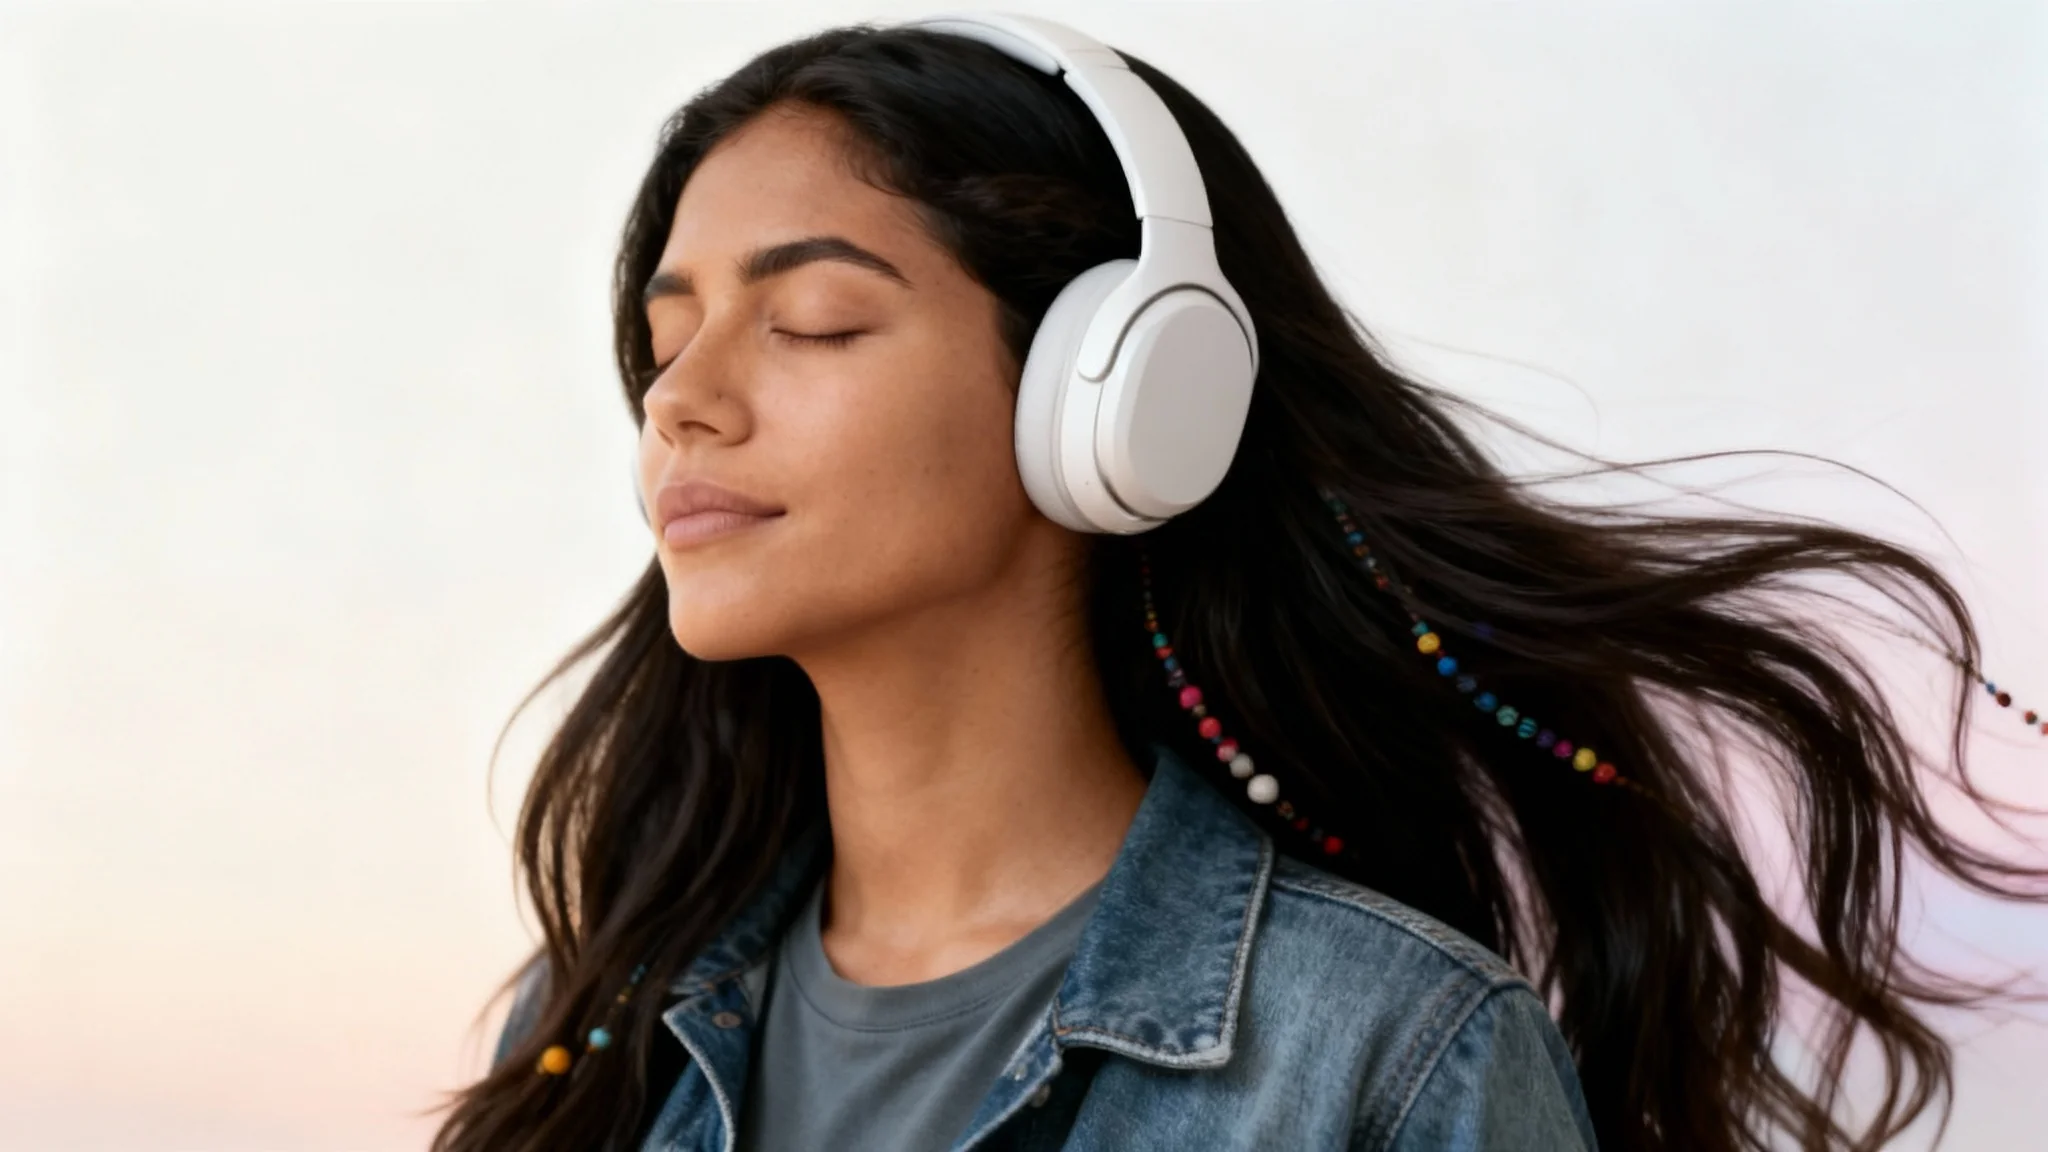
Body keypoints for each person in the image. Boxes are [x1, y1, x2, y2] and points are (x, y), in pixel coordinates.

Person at [430, 13, 2047, 1152]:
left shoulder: (1387, 1057)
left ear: (1113, 399)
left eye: (816, 324)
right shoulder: (588, 1032)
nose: (681, 401)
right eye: (663, 340)